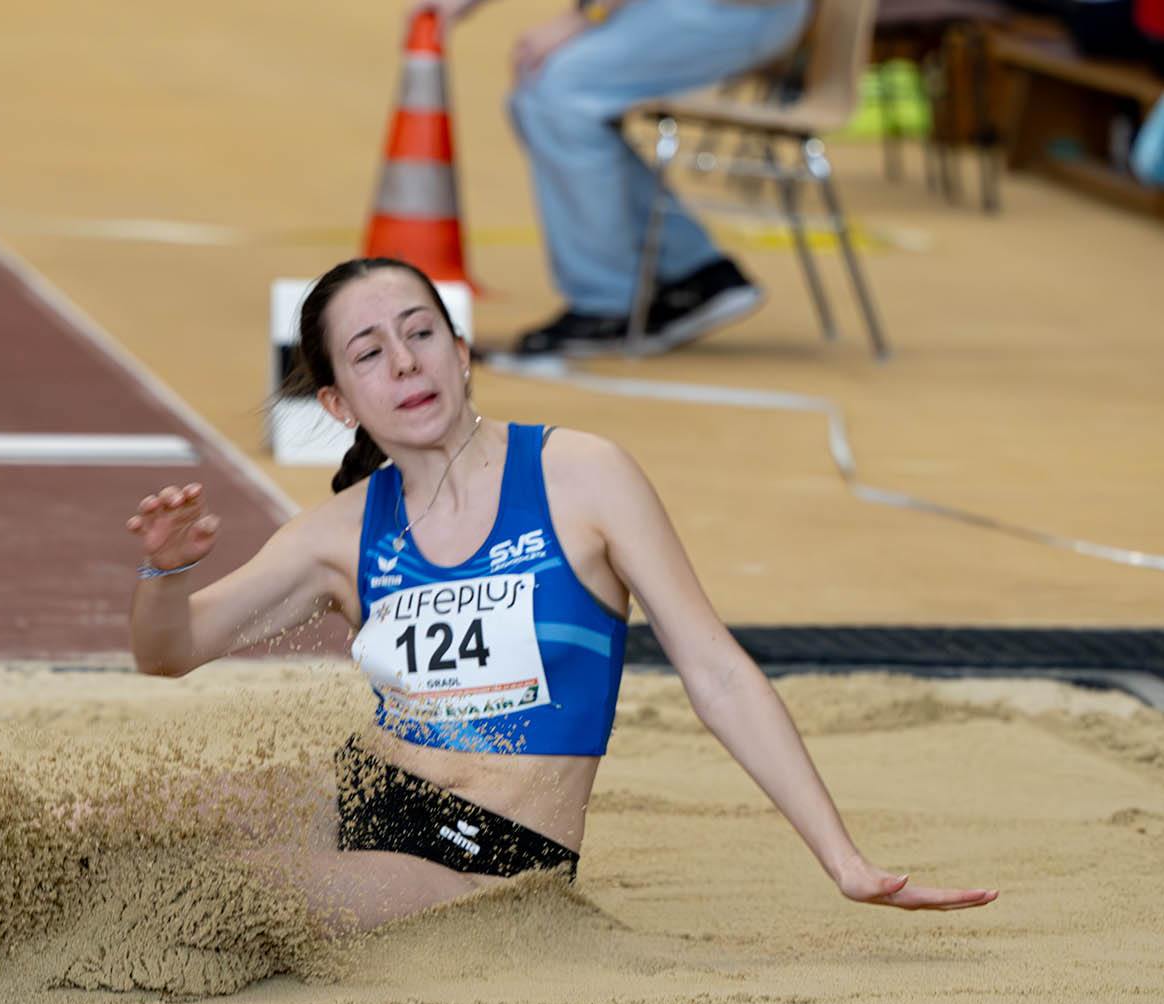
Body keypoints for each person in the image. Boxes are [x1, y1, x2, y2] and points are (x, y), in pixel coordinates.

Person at [125, 256, 996, 931]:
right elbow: (171, 651)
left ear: (461, 353)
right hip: (364, 795)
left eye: (420, 333)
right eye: (370, 353)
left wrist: (844, 860)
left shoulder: (584, 476)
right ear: (339, 402)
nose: (405, 362)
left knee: (213, 901)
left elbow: (717, 672)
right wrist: (165, 571)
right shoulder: (340, 533)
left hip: (490, 863)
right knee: (113, 835)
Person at [415, 0, 814, 357]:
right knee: (548, 94)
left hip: (738, 13)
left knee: (559, 93)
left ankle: (607, 304)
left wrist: (584, 16)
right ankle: (691, 268)